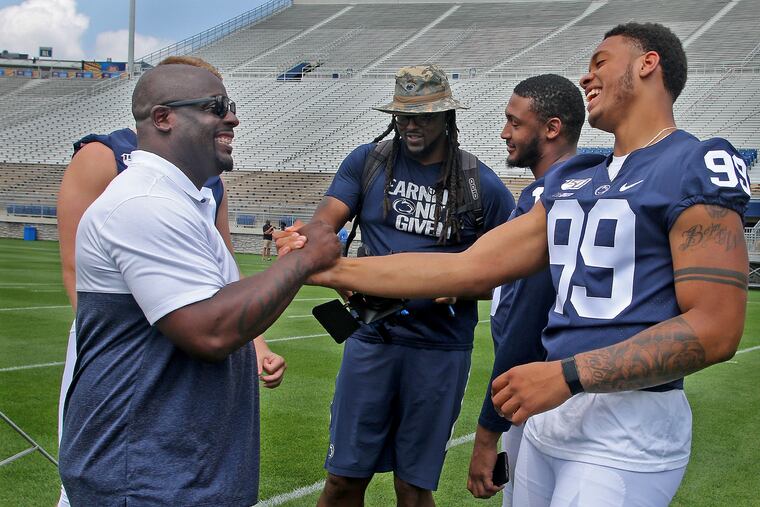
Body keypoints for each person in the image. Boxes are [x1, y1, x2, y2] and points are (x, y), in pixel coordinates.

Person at [293, 23, 750, 506]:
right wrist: (326, 269)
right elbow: (465, 268)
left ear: (647, 64)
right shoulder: (578, 178)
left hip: (627, 420)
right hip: (549, 415)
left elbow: (716, 329)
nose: (586, 76)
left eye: (599, 63)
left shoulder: (694, 163)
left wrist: (569, 374)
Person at [58, 62, 340, 505]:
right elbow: (208, 331)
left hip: (176, 470)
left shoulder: (181, 200)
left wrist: (292, 266)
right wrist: (304, 261)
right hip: (145, 477)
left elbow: (226, 308)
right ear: (164, 118)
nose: (232, 118)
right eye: (216, 107)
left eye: (230, 105)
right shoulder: (143, 202)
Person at [282, 65, 515, 506]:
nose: (411, 125)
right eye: (403, 115)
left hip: (439, 349)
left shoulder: (480, 183)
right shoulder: (367, 162)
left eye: (423, 116)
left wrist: (465, 288)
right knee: (343, 480)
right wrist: (305, 238)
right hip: (371, 338)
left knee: (412, 488)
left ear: (447, 116)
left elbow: (511, 271)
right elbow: (324, 223)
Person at [467, 74, 591, 505]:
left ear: (552, 128)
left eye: (515, 123)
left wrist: (486, 433)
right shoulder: (569, 189)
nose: (504, 133)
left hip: (542, 393)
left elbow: (526, 319)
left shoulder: (553, 199)